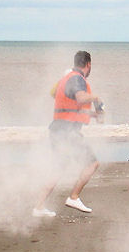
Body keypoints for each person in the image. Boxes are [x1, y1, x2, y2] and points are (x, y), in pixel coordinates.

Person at [33, 51, 104, 217]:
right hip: (67, 132)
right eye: (90, 65)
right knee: (92, 164)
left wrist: (94, 115)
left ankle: (38, 207)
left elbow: (72, 108)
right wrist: (96, 98)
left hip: (58, 129)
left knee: (58, 168)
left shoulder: (66, 79)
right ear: (88, 64)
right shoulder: (77, 78)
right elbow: (80, 98)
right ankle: (73, 197)